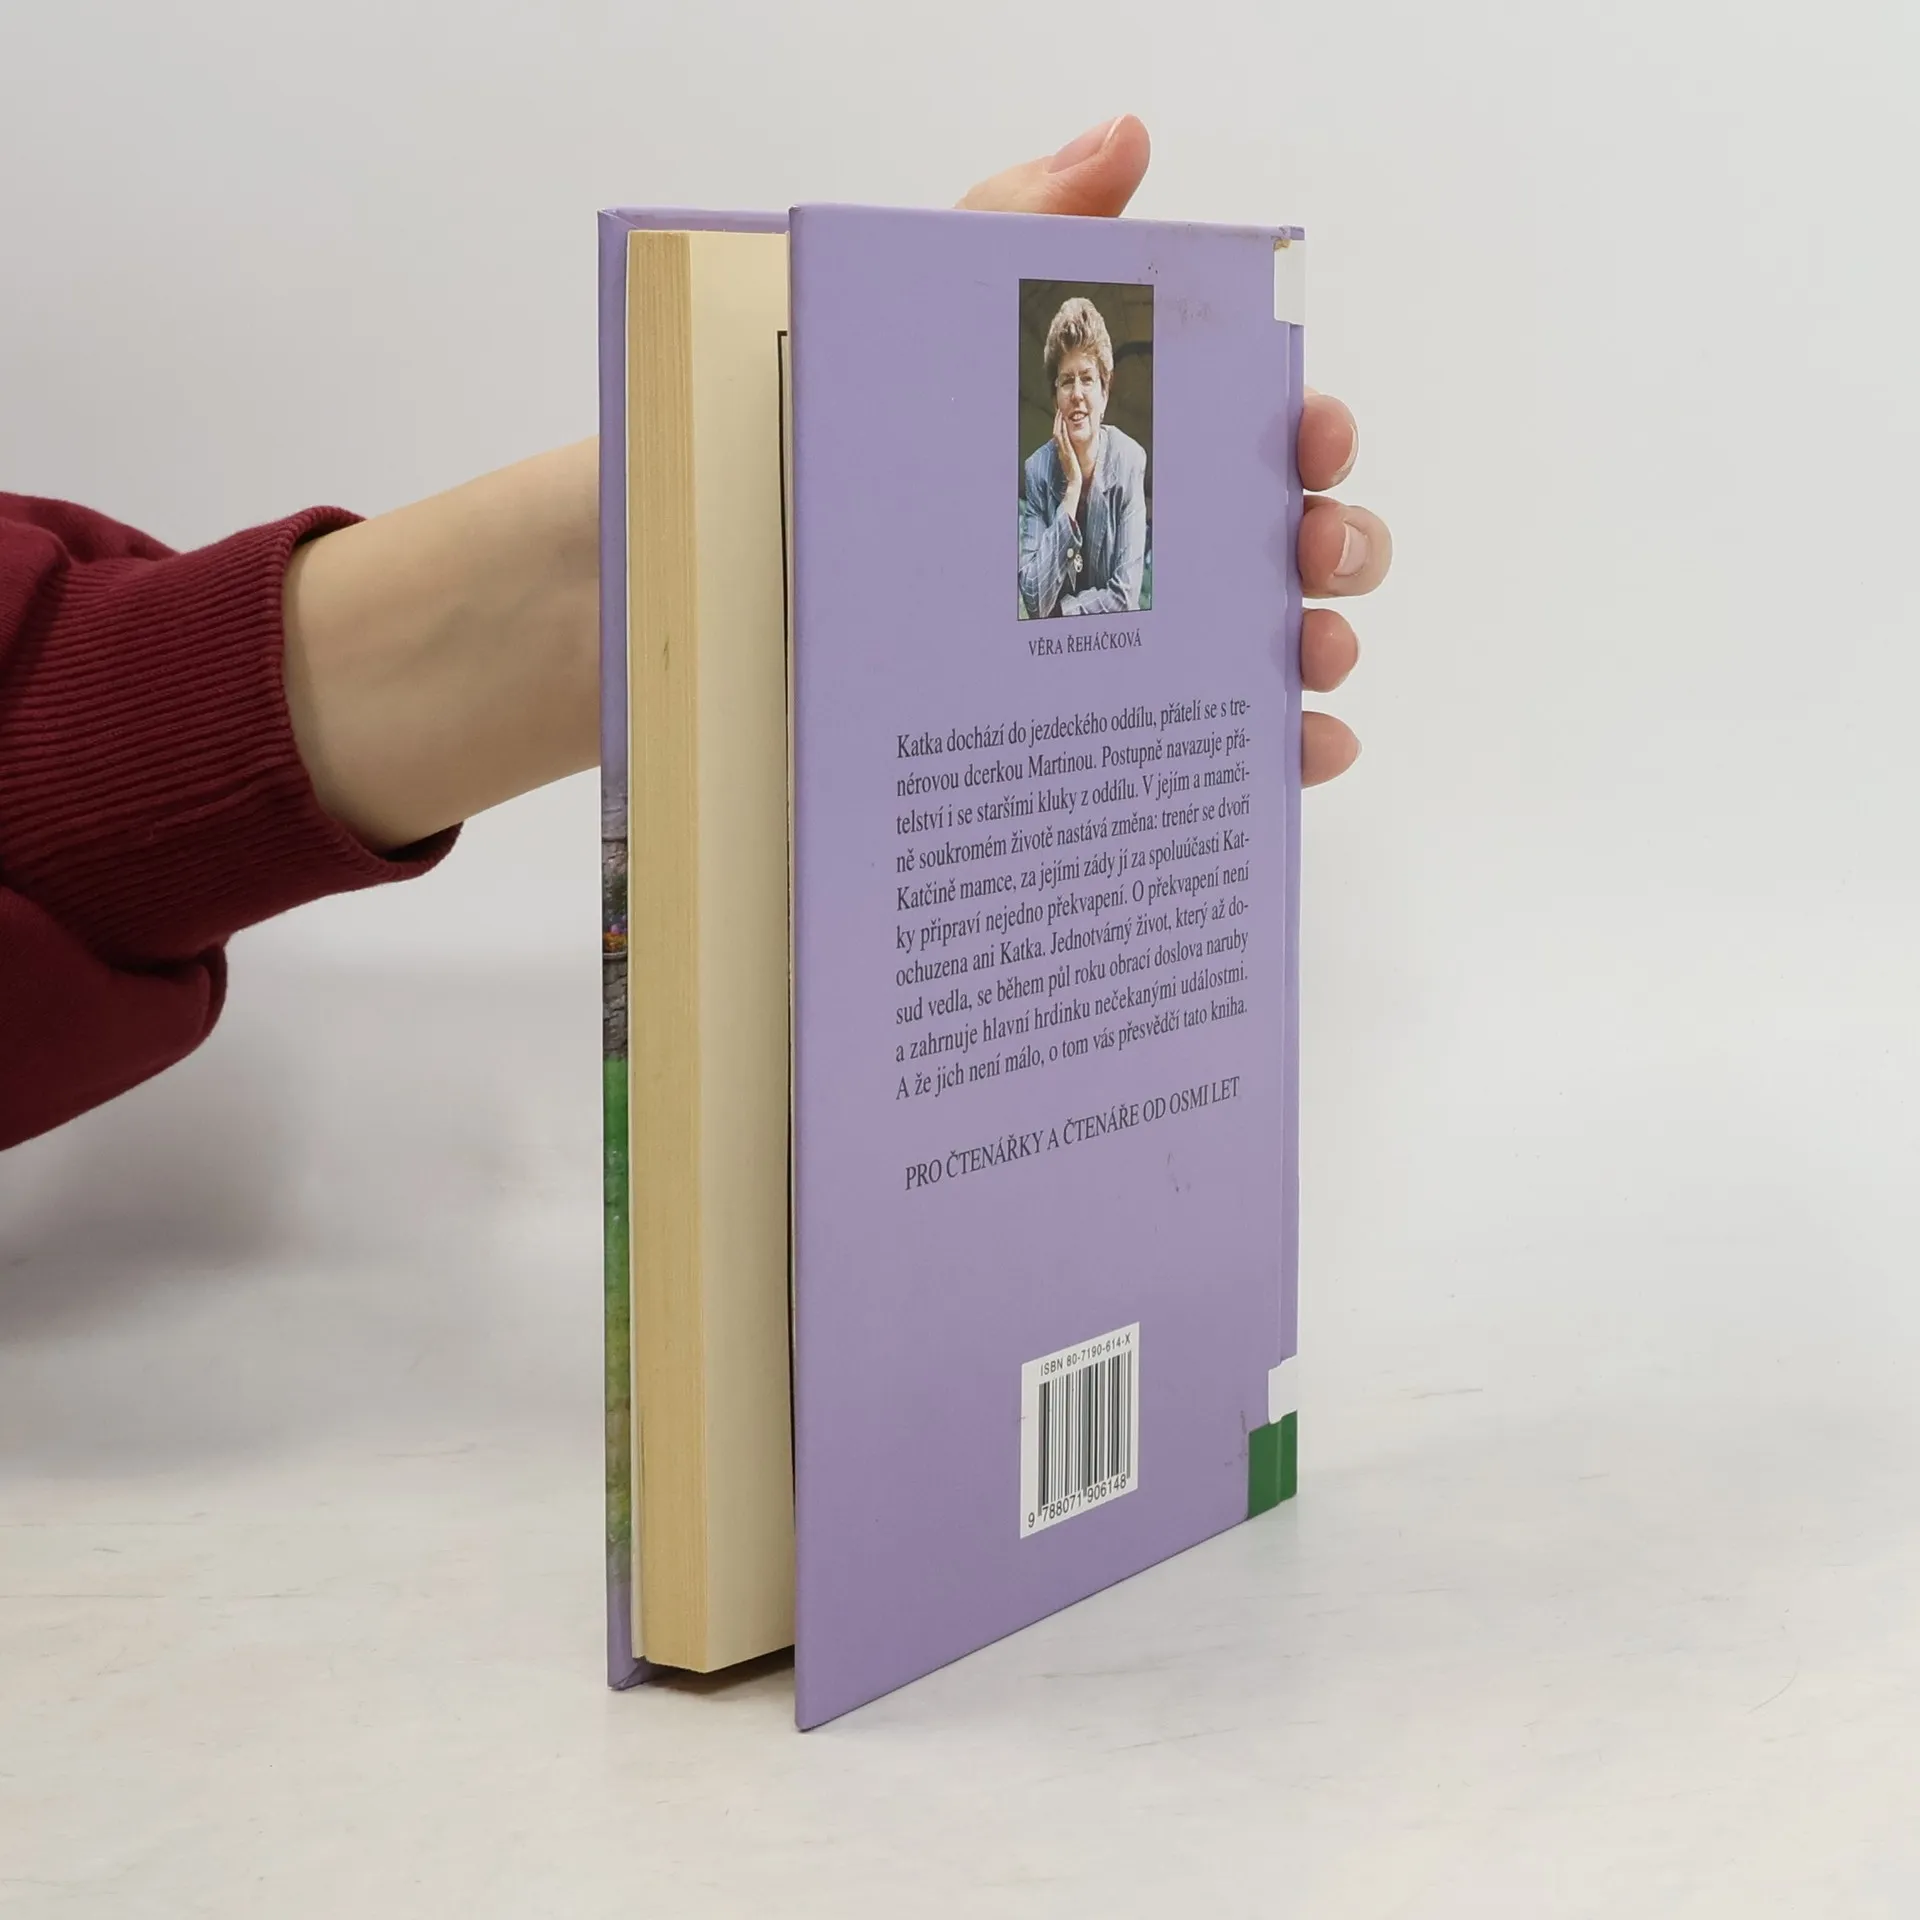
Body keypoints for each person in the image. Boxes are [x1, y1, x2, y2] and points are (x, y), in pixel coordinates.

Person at [0, 116, 1389, 1152]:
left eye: (1094, 378)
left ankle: (694, 531)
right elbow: (1050, 577)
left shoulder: (1136, 469)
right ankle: (694, 531)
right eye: (1065, 378)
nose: (1081, 400)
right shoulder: (1039, 477)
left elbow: (1086, 594)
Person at [1019, 294, 1149, 618]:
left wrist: (1063, 612)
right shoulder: (1037, 470)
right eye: (1066, 381)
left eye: (1087, 379)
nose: (1076, 393)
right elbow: (1034, 599)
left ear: (1104, 393)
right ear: (1055, 400)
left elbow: (1124, 596)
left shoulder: (1129, 460)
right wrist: (1073, 488)